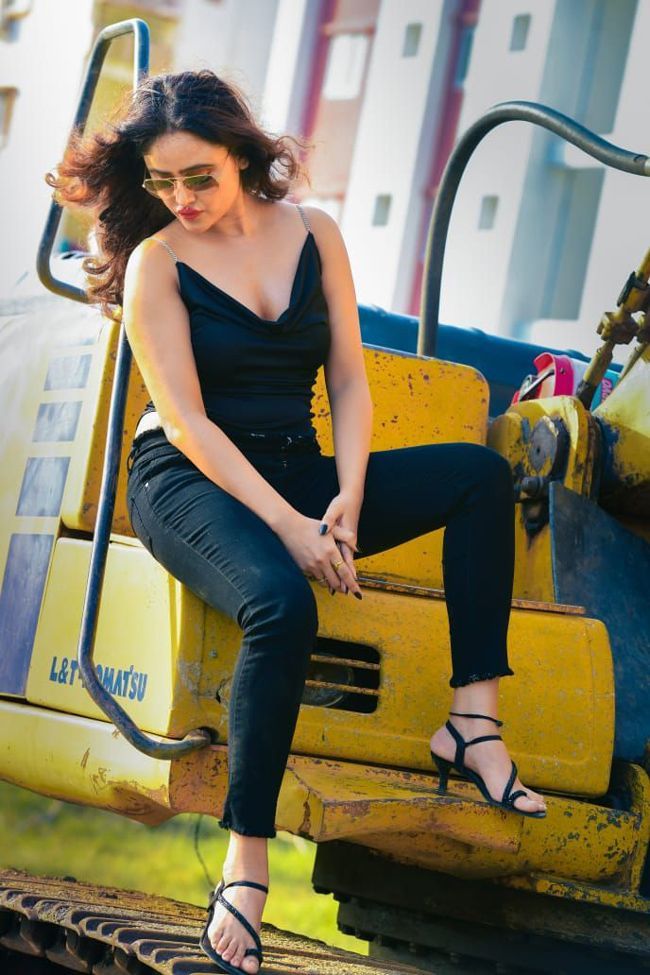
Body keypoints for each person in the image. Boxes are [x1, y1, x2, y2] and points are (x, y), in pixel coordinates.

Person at [46, 69, 547, 975]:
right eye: (163, 182)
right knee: (282, 605)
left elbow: (348, 376)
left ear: (242, 156)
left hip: (297, 463)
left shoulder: (315, 234)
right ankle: (245, 864)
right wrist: (292, 526)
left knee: (478, 477)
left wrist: (346, 497)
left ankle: (473, 723)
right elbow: (189, 424)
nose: (181, 197)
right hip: (188, 478)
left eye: (199, 176)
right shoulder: (160, 261)